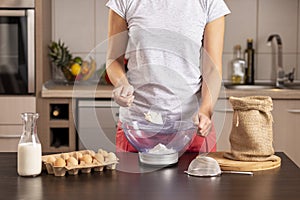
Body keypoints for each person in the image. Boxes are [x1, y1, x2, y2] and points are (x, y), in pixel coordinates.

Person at [106, 0, 230, 152]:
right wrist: (122, 84)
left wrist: (206, 110)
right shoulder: (124, 2)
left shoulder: (209, 3)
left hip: (190, 127)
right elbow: (113, 60)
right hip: (137, 127)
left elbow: (212, 68)